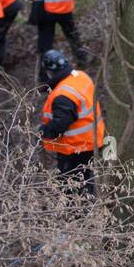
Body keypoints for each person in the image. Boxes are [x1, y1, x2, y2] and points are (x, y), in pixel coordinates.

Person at [39, 49, 105, 197]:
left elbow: (60, 125)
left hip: (75, 147)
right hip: (91, 140)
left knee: (69, 184)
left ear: (49, 72)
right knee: (86, 179)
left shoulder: (63, 95)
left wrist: (42, 132)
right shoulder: (81, 77)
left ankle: (75, 214)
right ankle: (87, 209)